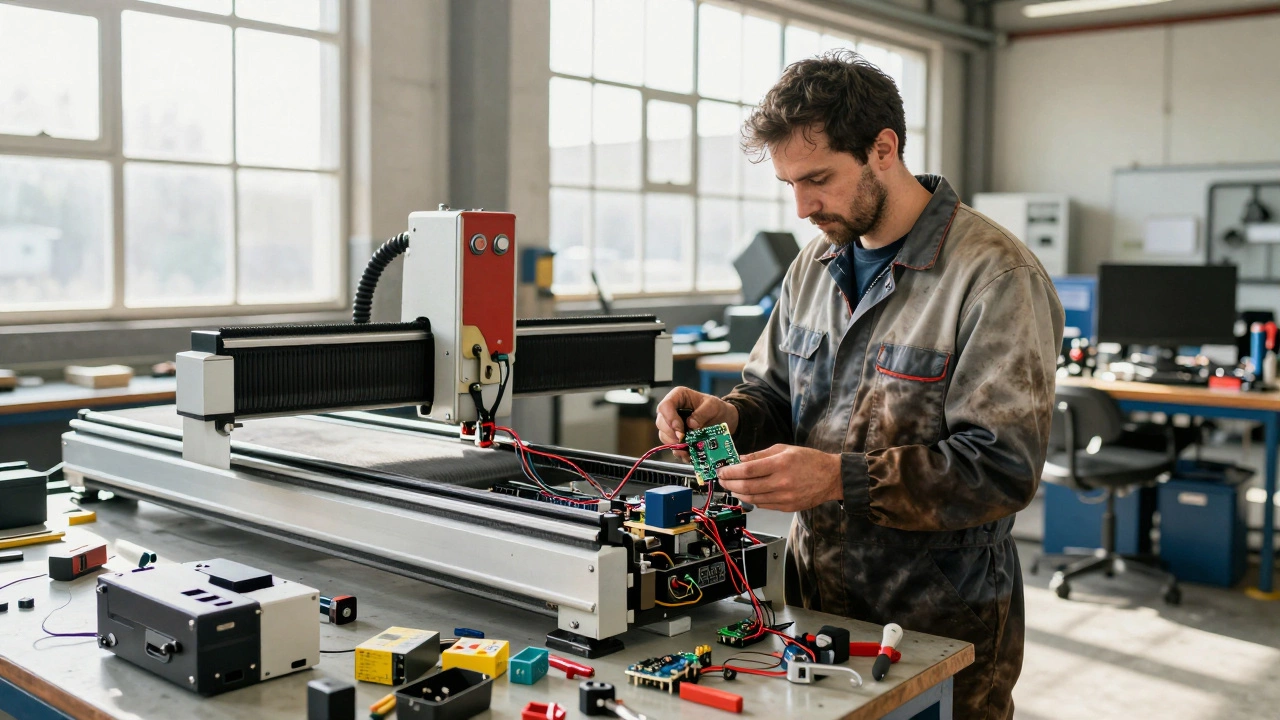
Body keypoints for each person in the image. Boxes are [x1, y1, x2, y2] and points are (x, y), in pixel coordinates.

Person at [655, 50, 1063, 720]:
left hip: (941, 617)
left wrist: (837, 479)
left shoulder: (992, 276)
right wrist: (722, 416)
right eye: (789, 183)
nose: (802, 206)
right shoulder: (812, 266)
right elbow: (775, 399)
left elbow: (1001, 470)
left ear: (883, 149)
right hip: (815, 602)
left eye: (818, 179)